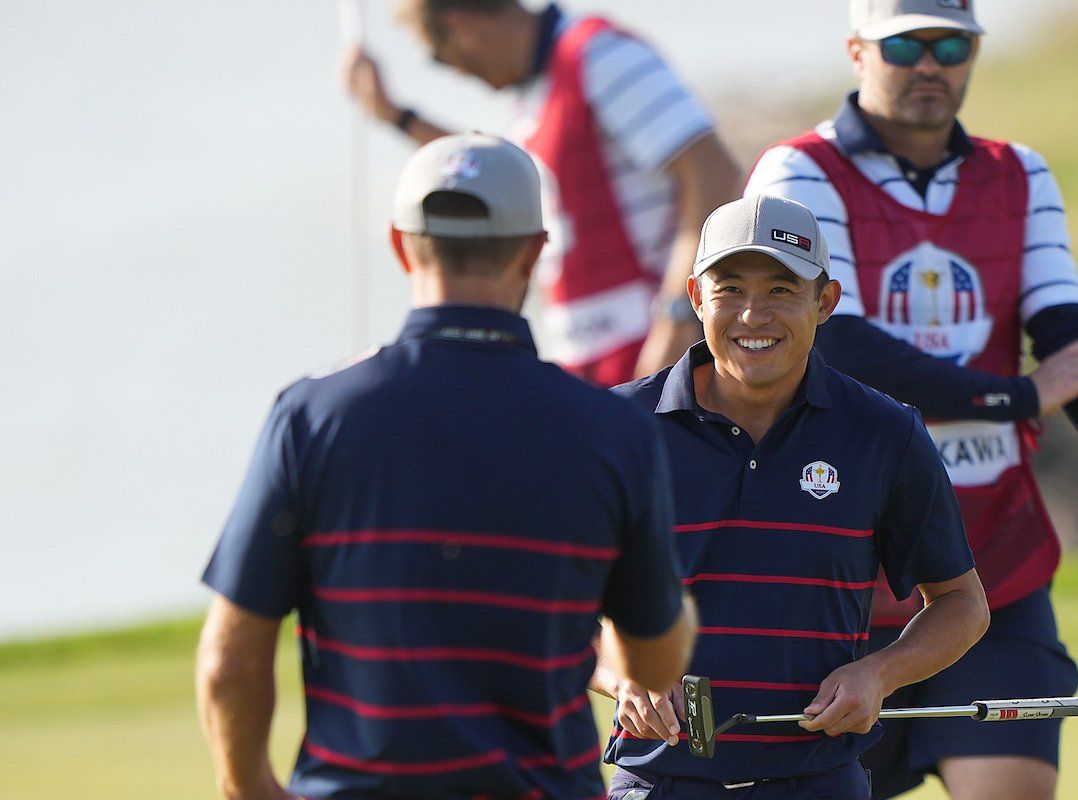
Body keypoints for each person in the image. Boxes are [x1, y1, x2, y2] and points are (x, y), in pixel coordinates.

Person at [744, 2, 1078, 797]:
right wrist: (1016, 396)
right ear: (856, 52)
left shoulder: (1019, 172)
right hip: (835, 579)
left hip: (992, 573)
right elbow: (835, 341)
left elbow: (1065, 324)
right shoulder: (796, 171)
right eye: (905, 44)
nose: (930, 63)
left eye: (951, 44)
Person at [196, 133, 698, 800]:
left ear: (402, 245)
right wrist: (678, 614)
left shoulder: (312, 415)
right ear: (535, 251)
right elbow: (653, 663)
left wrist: (248, 788)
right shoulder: (612, 431)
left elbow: (230, 660)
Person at [592, 194, 990, 799]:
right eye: (729, 289)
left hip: (820, 782)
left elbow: (962, 603)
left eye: (781, 288)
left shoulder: (885, 433)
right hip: (659, 782)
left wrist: (878, 673)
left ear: (824, 301)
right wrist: (623, 674)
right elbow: (549, 602)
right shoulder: (618, 429)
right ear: (697, 298)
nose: (753, 316)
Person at [344, 0, 742, 386]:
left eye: (441, 58)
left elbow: (715, 173)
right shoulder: (532, 94)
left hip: (657, 357)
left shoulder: (598, 54)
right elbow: (492, 173)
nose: (457, 73)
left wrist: (677, 318)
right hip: (596, 365)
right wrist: (396, 116)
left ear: (462, 26)